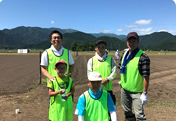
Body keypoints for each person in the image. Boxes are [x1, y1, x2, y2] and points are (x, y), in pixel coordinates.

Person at [118, 32, 150, 121]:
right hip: (124, 89)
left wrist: (144, 93)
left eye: (134, 41)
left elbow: (146, 76)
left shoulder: (143, 57)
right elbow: (121, 69)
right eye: (130, 41)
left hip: (137, 92)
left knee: (139, 116)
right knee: (127, 112)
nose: (132, 43)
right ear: (127, 42)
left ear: (138, 42)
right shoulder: (124, 54)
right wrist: (121, 82)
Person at [87, 40, 117, 104]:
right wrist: (99, 80)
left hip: (108, 90)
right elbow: (89, 74)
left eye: (103, 47)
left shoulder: (111, 60)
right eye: (99, 47)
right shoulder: (91, 60)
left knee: (109, 111)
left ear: (105, 48)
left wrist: (107, 79)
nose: (101, 49)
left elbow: (114, 72)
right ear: (95, 48)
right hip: (95, 90)